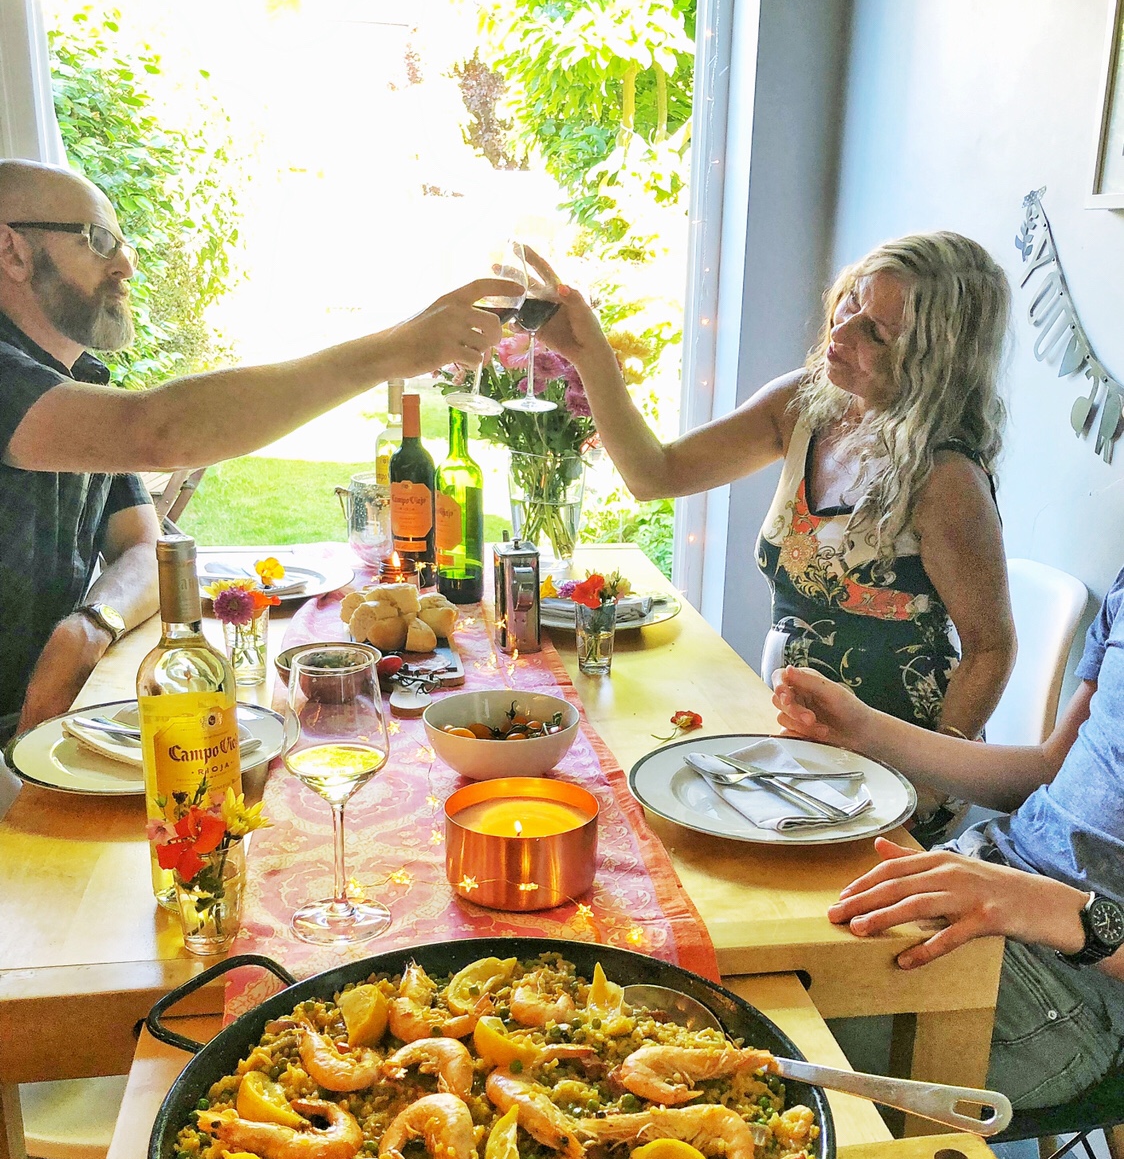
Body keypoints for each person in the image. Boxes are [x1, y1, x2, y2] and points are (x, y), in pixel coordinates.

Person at [0, 159, 514, 741]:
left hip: (47, 717)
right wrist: (393, 351)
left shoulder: (77, 380)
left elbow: (146, 549)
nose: (126, 265)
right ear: (12, 251)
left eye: (124, 245)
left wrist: (90, 626)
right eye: (98, 241)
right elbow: (159, 431)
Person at [530, 235, 1017, 841]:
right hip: (796, 741)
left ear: (933, 361)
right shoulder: (805, 406)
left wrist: (933, 788)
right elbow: (654, 474)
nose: (842, 332)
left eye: (877, 332)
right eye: (852, 302)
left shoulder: (946, 478)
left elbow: (991, 648)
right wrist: (587, 350)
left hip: (895, 767)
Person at [769, 559, 1124, 1111]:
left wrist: (1061, 911)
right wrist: (865, 730)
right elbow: (1048, 772)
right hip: (981, 875)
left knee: (756, 1029)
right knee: (734, 938)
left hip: (1076, 983)